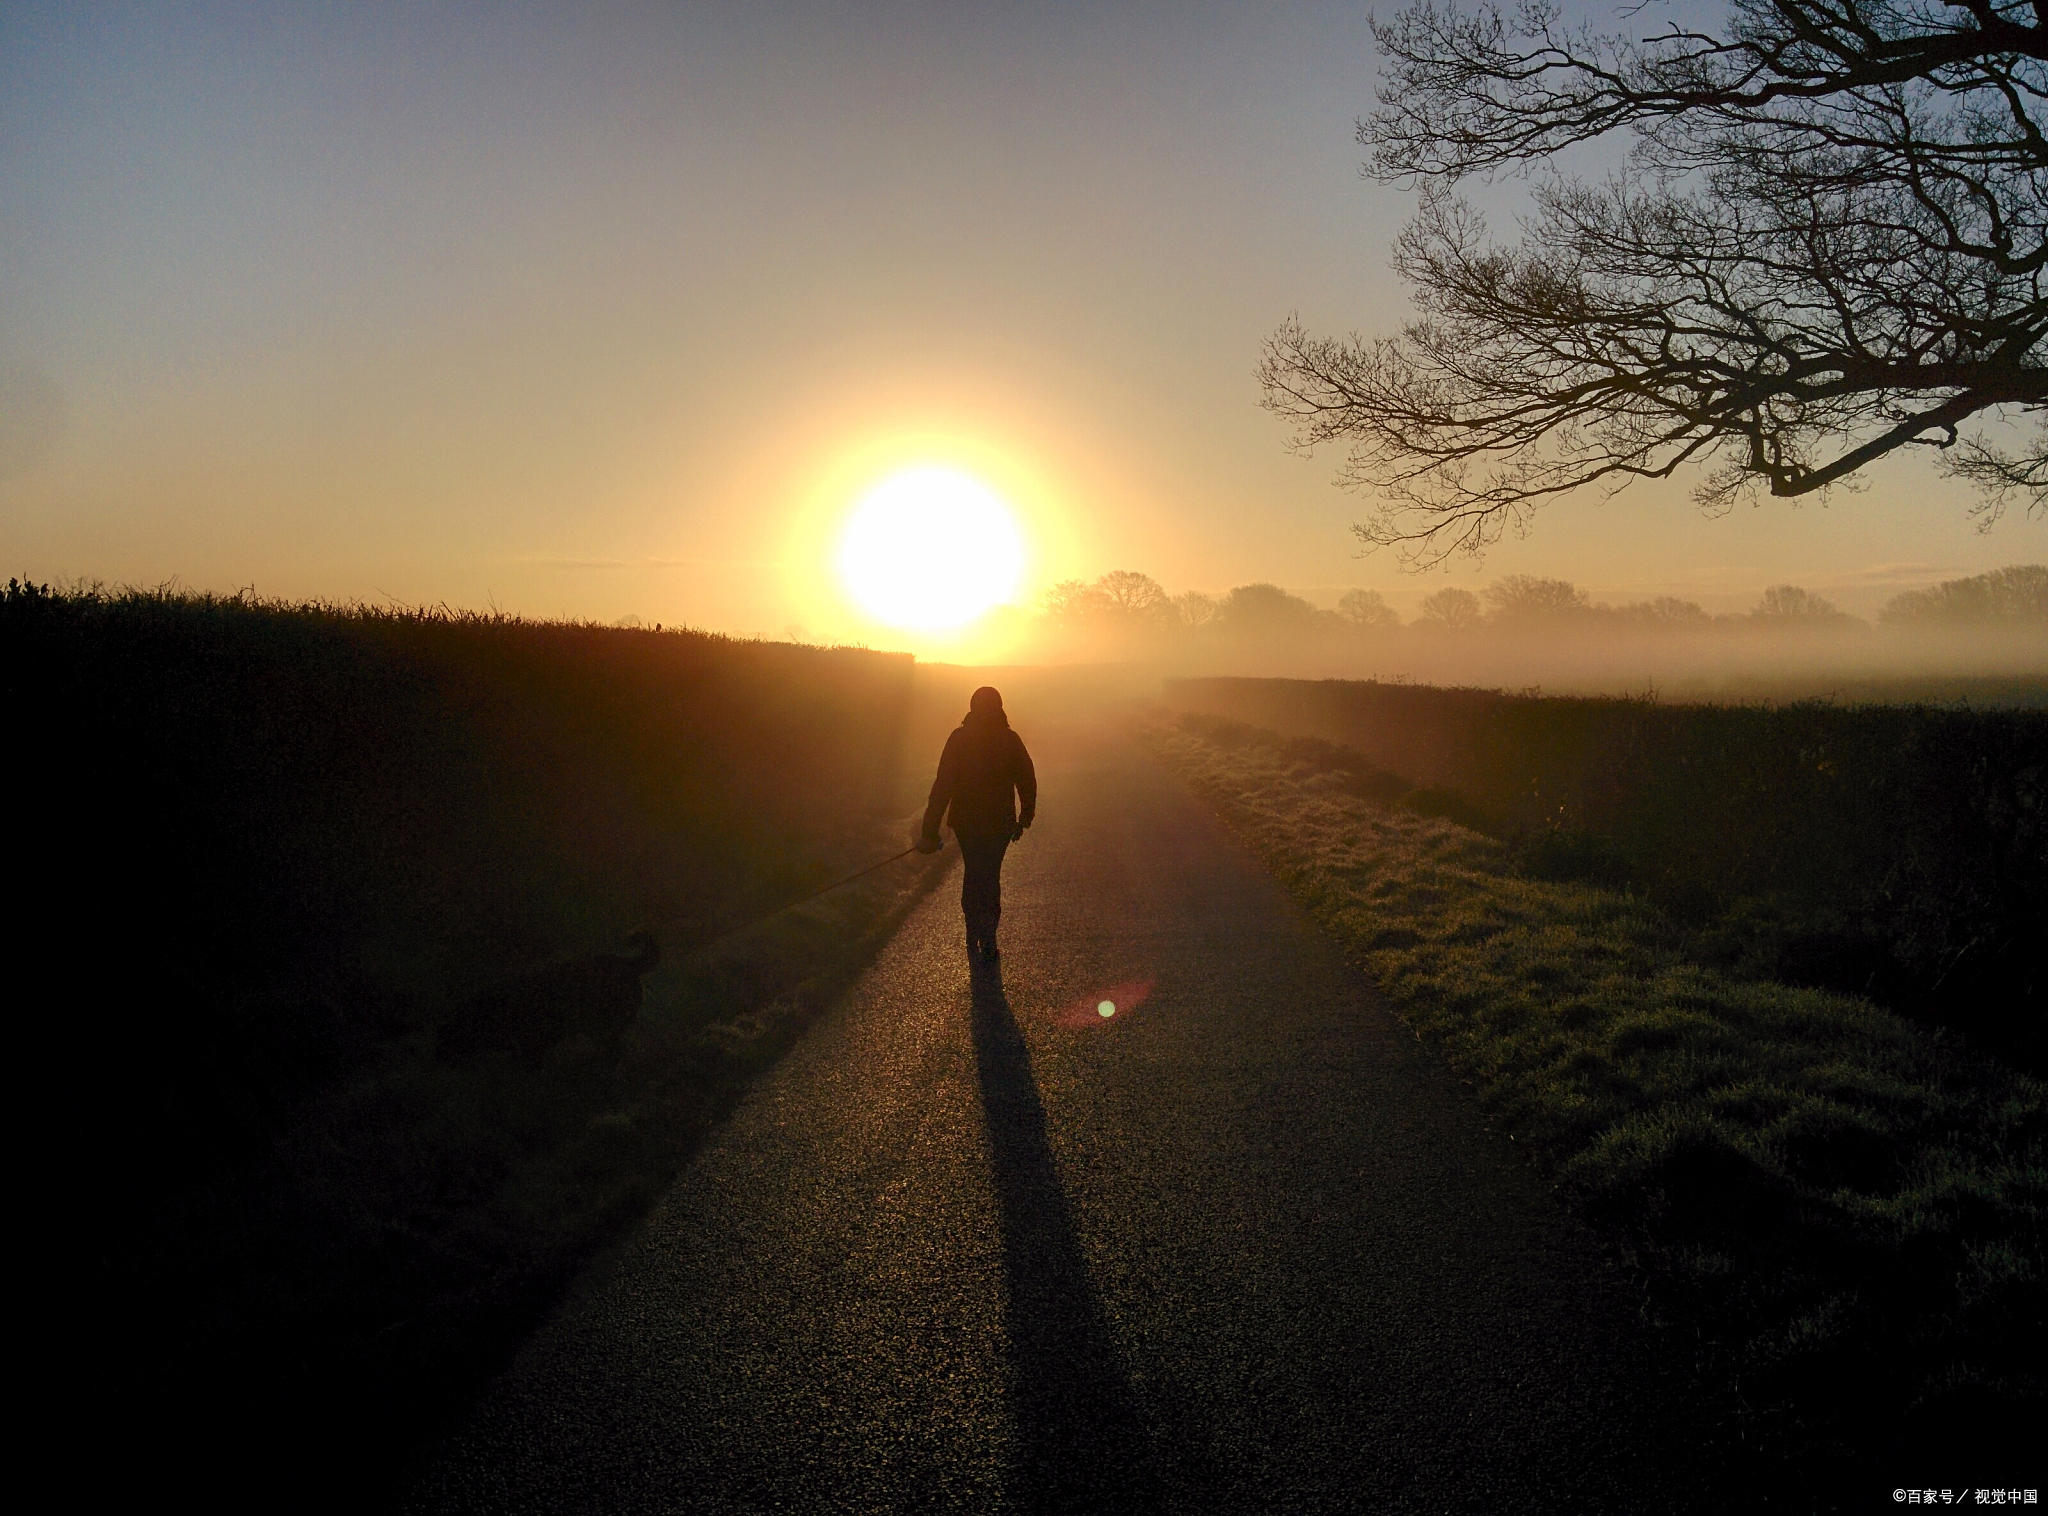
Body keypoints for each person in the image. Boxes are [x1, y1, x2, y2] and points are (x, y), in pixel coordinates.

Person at [918, 685, 1036, 961]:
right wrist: (1025, 817)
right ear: (1000, 707)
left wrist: (929, 831)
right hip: (1000, 823)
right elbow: (1027, 779)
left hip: (966, 822)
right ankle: (989, 934)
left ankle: (972, 930)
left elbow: (942, 785)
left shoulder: (958, 739)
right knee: (990, 875)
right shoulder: (1009, 739)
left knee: (973, 873)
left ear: (972, 707)